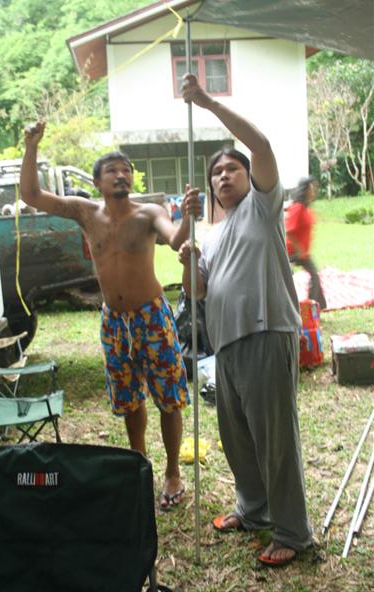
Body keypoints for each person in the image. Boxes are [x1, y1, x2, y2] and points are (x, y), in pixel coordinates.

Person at [20, 122, 201, 510]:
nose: (122, 175)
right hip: (114, 322)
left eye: (126, 169)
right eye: (112, 170)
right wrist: (31, 146)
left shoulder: (149, 213)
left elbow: (175, 239)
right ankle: (138, 465)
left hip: (152, 317)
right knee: (129, 399)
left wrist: (187, 216)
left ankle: (173, 472)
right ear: (97, 182)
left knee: (169, 397)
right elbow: (32, 195)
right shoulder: (85, 212)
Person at [178, 74, 312, 566]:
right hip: (226, 344)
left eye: (231, 168)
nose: (223, 177)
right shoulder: (211, 232)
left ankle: (293, 531)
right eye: (216, 173)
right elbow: (196, 291)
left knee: (275, 439)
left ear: (247, 173)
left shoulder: (262, 205)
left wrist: (207, 102)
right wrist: (189, 257)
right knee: (238, 438)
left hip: (266, 331)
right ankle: (254, 511)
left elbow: (261, 144)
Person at [285, 176, 327, 310]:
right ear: (305, 190)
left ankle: (315, 306)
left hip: (302, 252)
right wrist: (299, 249)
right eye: (311, 189)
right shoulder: (297, 208)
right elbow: (289, 231)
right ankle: (291, 307)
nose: (314, 191)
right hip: (292, 252)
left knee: (315, 276)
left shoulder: (305, 208)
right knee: (288, 280)